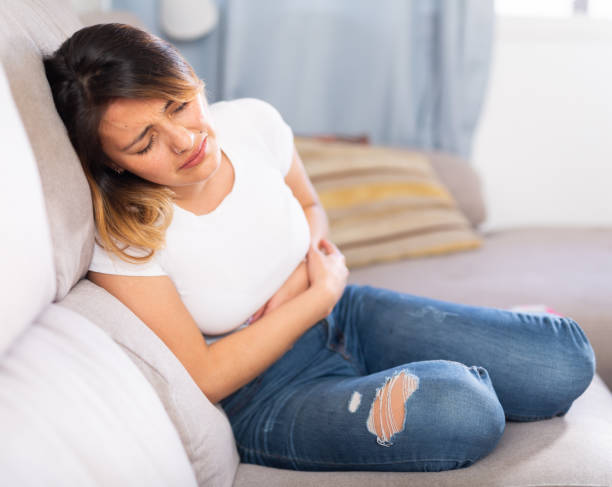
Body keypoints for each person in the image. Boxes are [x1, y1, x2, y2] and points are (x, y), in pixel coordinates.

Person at [43, 23, 596, 472]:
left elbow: (310, 208)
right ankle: (444, 374)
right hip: (266, 390)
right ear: (113, 162)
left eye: (178, 103)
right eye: (145, 143)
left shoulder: (252, 123)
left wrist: (295, 289)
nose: (184, 140)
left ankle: (443, 363)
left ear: (191, 78)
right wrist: (318, 291)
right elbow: (208, 375)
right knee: (461, 408)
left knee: (566, 360)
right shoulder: (122, 235)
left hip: (346, 314)